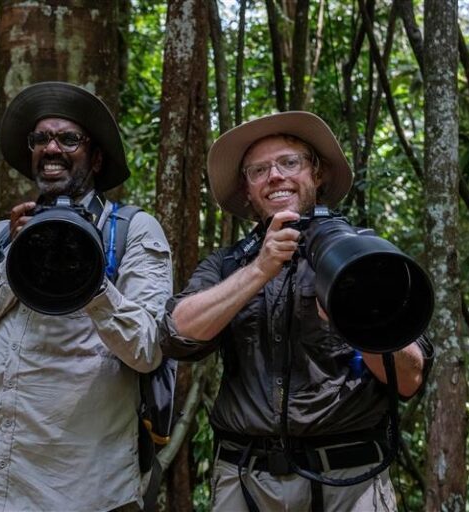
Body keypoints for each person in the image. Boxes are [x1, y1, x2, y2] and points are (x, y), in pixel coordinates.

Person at [159, 111, 433, 511]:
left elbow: (409, 378)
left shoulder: (367, 254)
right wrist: (258, 270)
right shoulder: (227, 265)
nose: (275, 176)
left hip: (350, 483)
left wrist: (355, 315)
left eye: (290, 162)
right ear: (247, 190)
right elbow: (176, 334)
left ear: (316, 174)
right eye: (258, 170)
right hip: (247, 480)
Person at [0, 81, 173, 511]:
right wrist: (12, 266)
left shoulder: (132, 231)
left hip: (85, 489)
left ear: (95, 158)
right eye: (40, 139)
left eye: (68, 138)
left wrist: (88, 277)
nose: (52, 148)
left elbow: (148, 349)